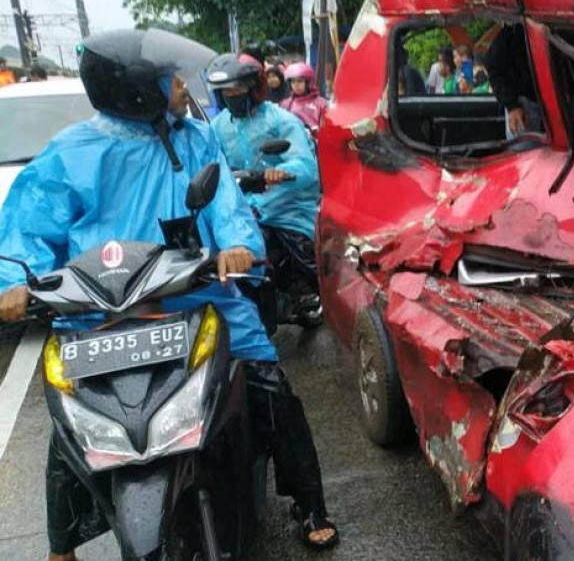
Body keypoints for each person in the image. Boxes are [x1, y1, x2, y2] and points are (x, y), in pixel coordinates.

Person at [0, 29, 338, 559]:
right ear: (137, 89)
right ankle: (61, 544)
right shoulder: (70, 154)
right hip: (100, 314)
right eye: (169, 77)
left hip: (196, 295)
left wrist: (237, 248)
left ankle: (310, 503)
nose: (183, 86)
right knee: (68, 424)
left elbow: (226, 206)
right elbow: (27, 229)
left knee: (268, 381)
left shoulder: (195, 139)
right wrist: (14, 283)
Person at [206, 53, 322, 322]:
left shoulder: (281, 120)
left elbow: (306, 167)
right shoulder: (217, 128)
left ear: (254, 88)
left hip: (288, 208)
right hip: (242, 209)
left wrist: (280, 172)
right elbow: (211, 166)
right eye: (226, 91)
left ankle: (299, 290)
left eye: (237, 88)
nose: (231, 95)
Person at [280, 62, 328, 130]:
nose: (296, 85)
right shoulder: (285, 103)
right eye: (293, 82)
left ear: (308, 83)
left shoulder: (321, 102)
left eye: (299, 81)